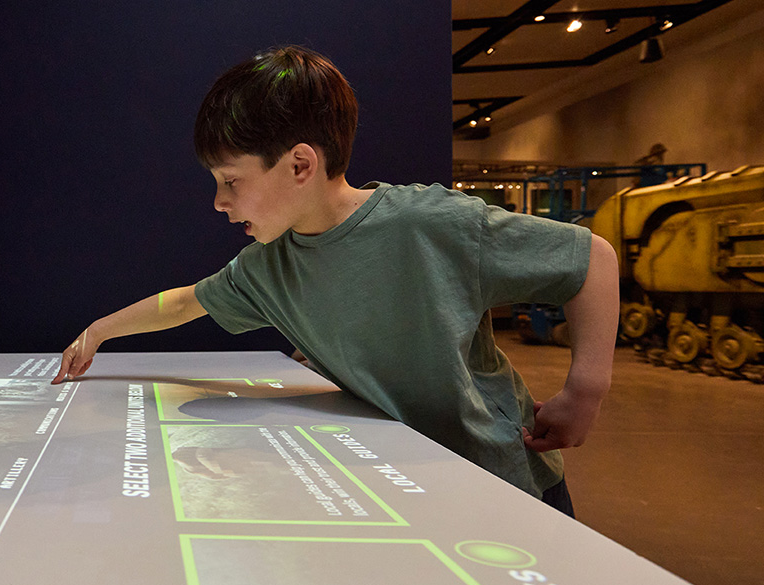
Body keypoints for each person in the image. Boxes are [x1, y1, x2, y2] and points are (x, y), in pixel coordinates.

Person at [51, 46, 619, 516]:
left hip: (501, 474)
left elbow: (590, 259)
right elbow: (184, 303)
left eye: (230, 180)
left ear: (301, 165)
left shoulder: (430, 223)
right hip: (398, 479)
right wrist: (99, 331)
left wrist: (584, 391)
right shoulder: (267, 266)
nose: (220, 203)